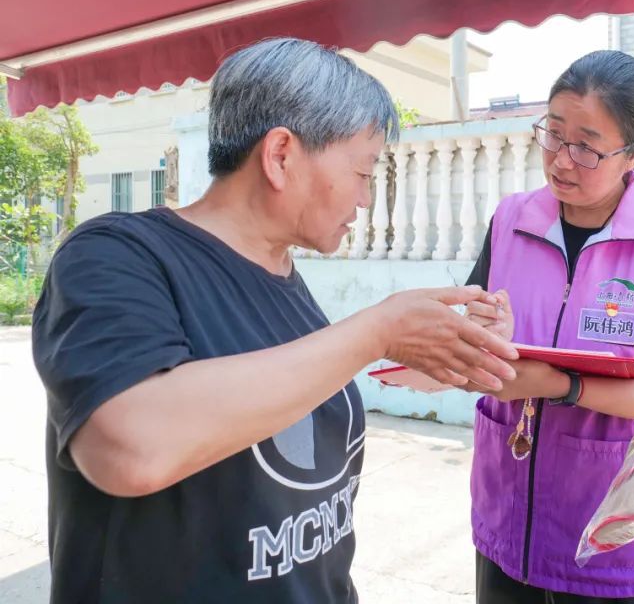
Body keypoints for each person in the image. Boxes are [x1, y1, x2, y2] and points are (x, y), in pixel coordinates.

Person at [32, 38, 518, 604]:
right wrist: (376, 332)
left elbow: (300, 389)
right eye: (363, 171)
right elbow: (130, 449)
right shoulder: (115, 254)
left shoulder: (283, 273)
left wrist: (447, 351)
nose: (366, 198)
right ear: (281, 155)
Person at [462, 50, 634, 604]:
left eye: (586, 147)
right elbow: (473, 329)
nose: (561, 161)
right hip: (507, 518)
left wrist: (559, 384)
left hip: (609, 531)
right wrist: (479, 337)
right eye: (552, 134)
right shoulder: (511, 220)